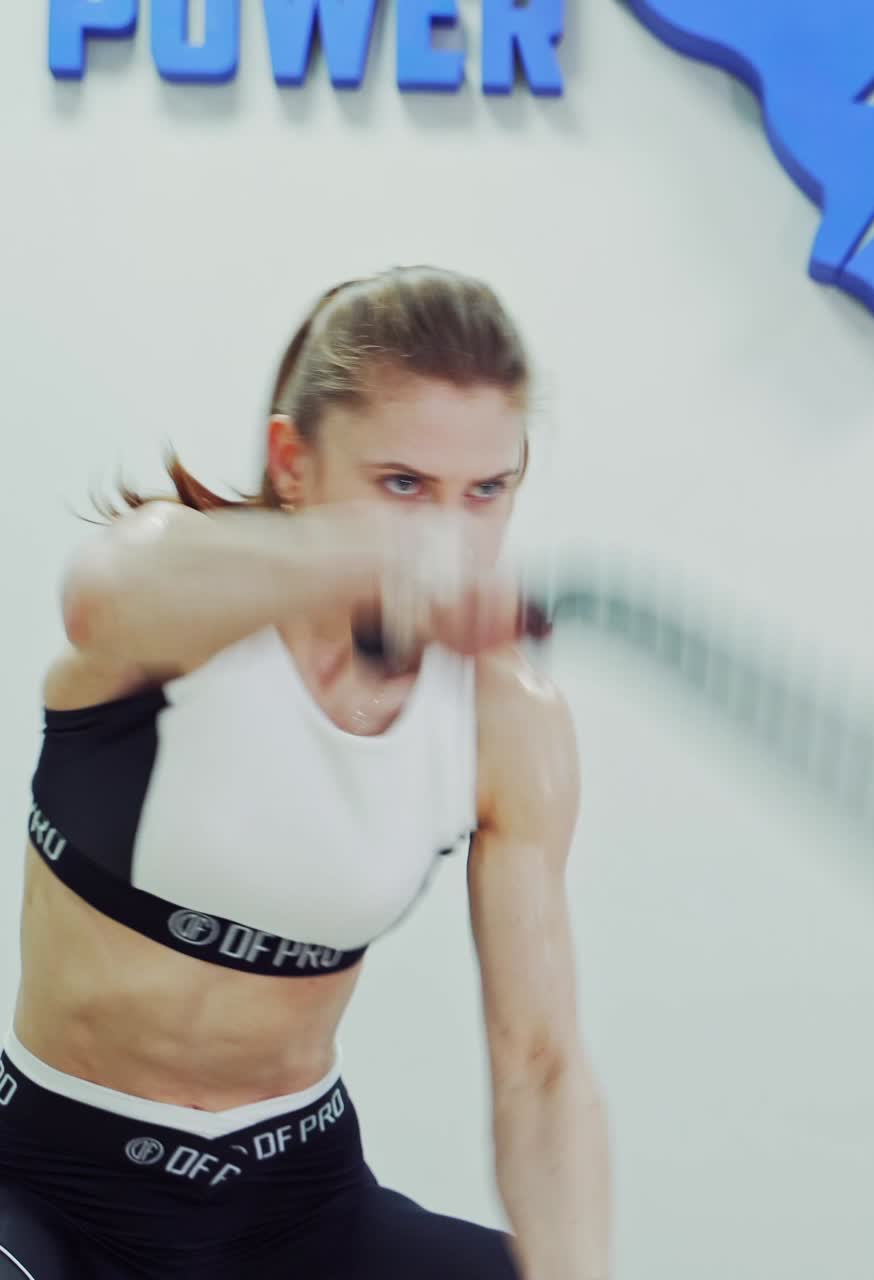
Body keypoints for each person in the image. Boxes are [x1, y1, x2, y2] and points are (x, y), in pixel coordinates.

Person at [0, 267, 612, 1280]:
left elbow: (541, 1068)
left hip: (294, 1203)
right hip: (53, 1185)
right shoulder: (177, 588)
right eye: (402, 485)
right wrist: (380, 564)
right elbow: (100, 598)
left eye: (485, 493)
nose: (449, 536)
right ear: (294, 462)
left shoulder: (509, 721)